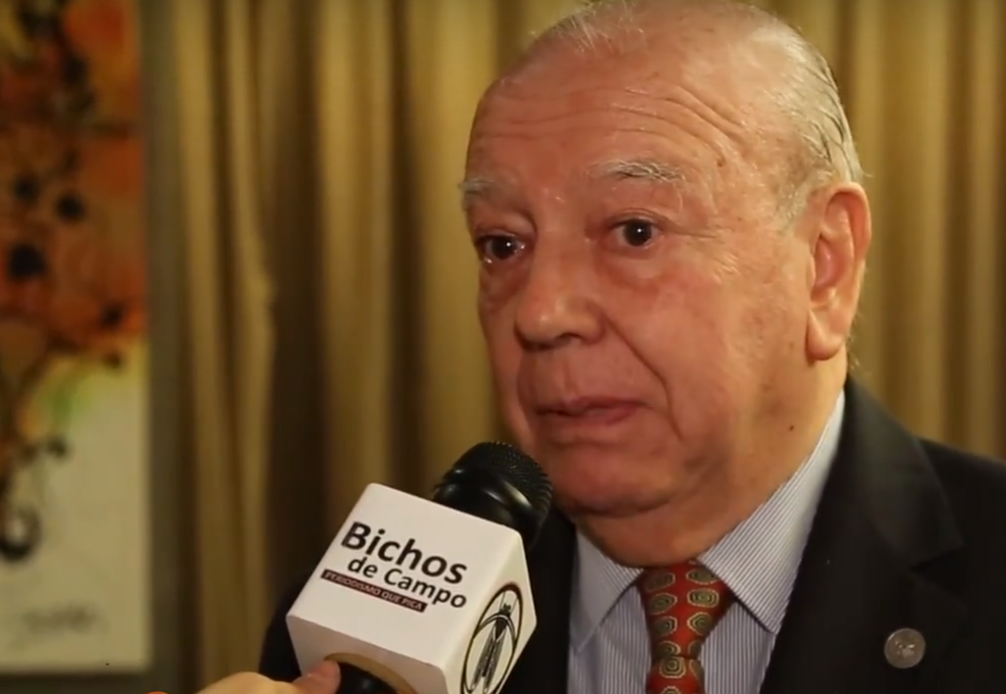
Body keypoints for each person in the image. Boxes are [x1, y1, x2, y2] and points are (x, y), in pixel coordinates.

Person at [199, 0, 1006, 692]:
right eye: (503, 245)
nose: (540, 313)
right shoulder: (352, 640)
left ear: (824, 265)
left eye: (634, 231)